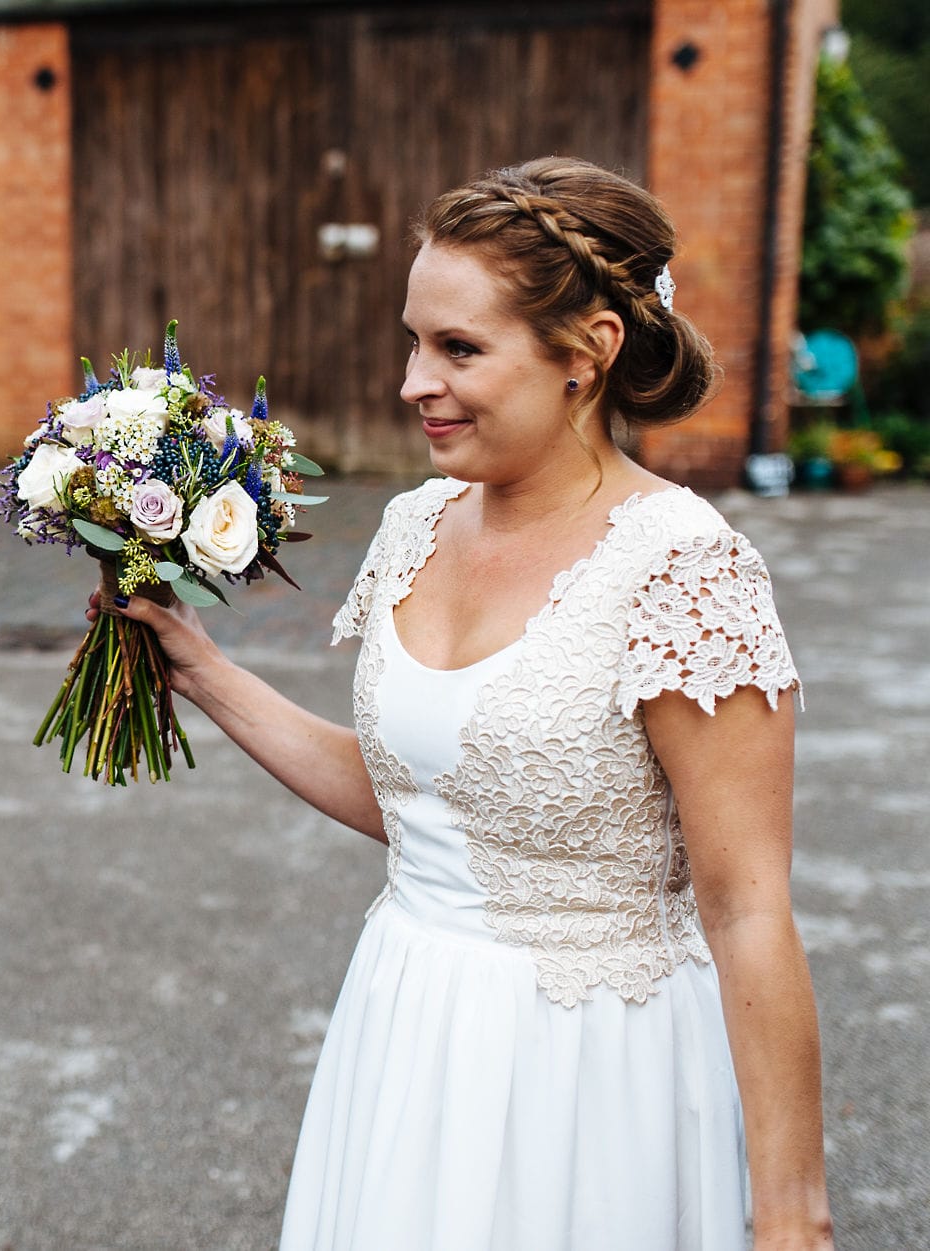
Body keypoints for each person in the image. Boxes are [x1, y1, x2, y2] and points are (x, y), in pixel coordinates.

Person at [100, 158, 832, 1250]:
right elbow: (418, 798)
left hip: (588, 1070)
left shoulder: (683, 570)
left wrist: (790, 1217)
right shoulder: (416, 523)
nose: (410, 381)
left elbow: (744, 909)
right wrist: (199, 669)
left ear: (587, 353)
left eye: (456, 348)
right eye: (412, 339)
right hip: (403, 1025)